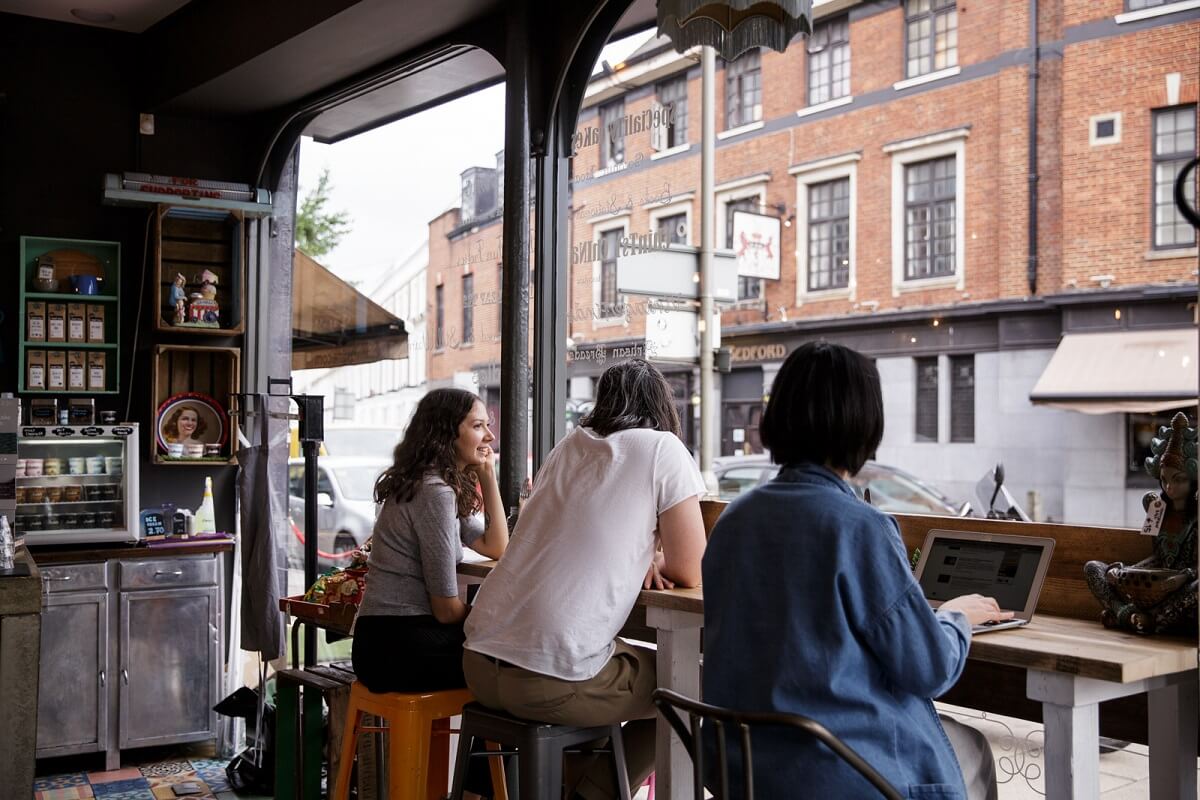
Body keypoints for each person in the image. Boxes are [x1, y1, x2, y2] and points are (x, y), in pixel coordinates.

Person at [702, 342, 1003, 800]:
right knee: (972, 749)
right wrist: (957, 617)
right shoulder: (859, 528)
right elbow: (929, 668)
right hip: (830, 771)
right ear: (864, 423)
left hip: (740, 769)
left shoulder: (734, 519)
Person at [463, 359, 708, 800]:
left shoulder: (568, 447)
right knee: (690, 689)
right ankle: (591, 794)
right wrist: (652, 555)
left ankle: (578, 785)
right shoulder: (663, 449)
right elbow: (691, 568)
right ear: (662, 407)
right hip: (545, 678)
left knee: (602, 656)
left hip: (479, 661)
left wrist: (642, 554)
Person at [352, 388, 509, 693]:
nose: (490, 436)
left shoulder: (434, 484)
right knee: (512, 664)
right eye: (478, 426)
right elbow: (446, 610)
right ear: (446, 433)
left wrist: (488, 478)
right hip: (397, 646)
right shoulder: (434, 492)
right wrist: (491, 617)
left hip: (384, 640)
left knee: (508, 657)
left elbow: (496, 547)